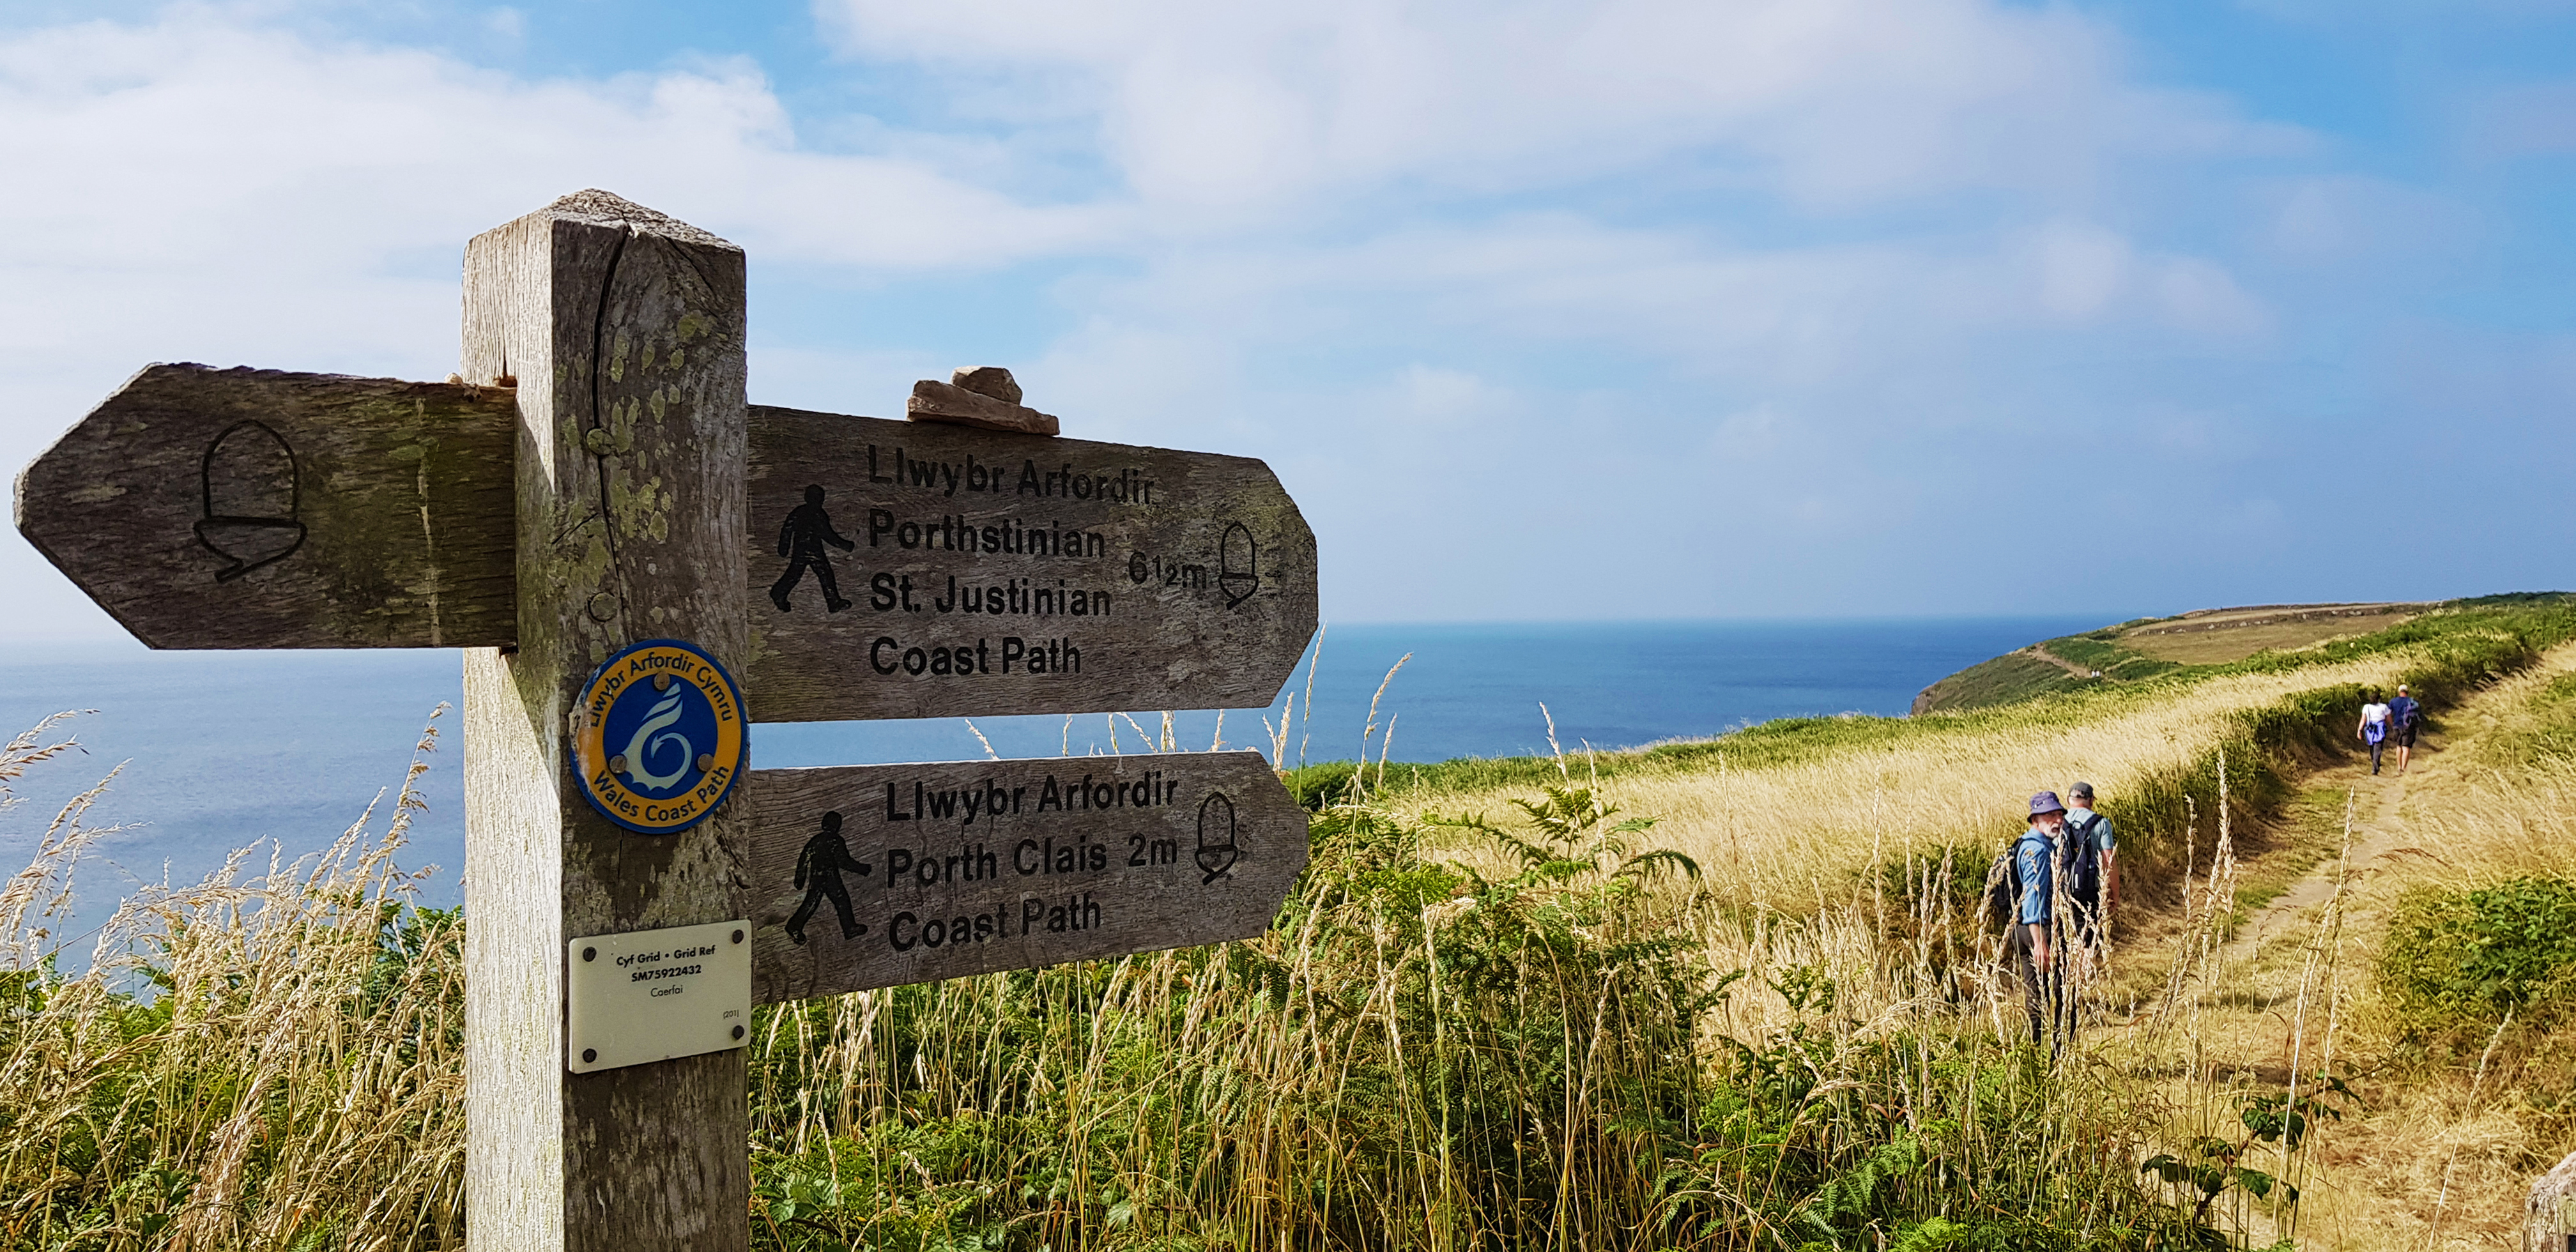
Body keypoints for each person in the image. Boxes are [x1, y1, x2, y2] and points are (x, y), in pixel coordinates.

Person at [2010, 791, 2068, 1046]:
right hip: (2040, 929)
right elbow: (2034, 897)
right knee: (2058, 993)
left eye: (2059, 814)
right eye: (2050, 815)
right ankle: (2054, 1053)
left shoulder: (2025, 844)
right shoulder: (2039, 851)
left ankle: (2036, 1051)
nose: (2058, 820)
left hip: (2022, 928)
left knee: (2035, 993)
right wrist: (2040, 943)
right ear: (2035, 819)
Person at [786, 811, 873, 945]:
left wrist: (800, 879)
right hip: (830, 876)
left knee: (813, 902)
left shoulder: (816, 840)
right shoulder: (836, 840)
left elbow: (804, 858)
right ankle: (849, 928)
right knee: (841, 900)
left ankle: (795, 926)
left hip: (817, 876)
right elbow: (844, 861)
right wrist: (862, 869)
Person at [772, 484, 856, 613]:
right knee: (822, 573)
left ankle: (779, 593)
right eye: (819, 498)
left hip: (804, 548)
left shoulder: (801, 512)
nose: (821, 500)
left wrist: (784, 547)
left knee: (799, 573)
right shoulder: (818, 514)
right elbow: (827, 534)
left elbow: (787, 529)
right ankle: (833, 602)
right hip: (811, 550)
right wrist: (845, 545)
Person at [2062, 782, 2117, 951]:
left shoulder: (2058, 822)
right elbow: (2109, 861)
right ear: (2092, 800)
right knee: (2087, 940)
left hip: (2061, 888)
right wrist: (2114, 894)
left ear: (2068, 800)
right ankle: (2084, 967)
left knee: (2065, 938)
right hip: (2089, 891)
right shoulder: (2101, 823)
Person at [2386, 683, 2422, 775]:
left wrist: (2391, 723)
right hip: (2409, 726)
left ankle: (2399, 767)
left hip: (2397, 725)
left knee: (2399, 746)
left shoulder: (2393, 701)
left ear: (2399, 692)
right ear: (2407, 692)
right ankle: (2404, 768)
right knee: (2406, 747)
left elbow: (2388, 714)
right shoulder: (2412, 701)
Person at [2358, 688, 2390, 775]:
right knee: (2378, 747)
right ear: (2379, 699)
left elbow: (2363, 719)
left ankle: (2375, 763)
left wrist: (2359, 730)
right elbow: (2389, 718)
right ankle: (2375, 766)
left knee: (2372, 747)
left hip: (2370, 728)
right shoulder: (2384, 707)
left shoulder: (2366, 707)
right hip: (2380, 728)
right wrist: (2392, 726)